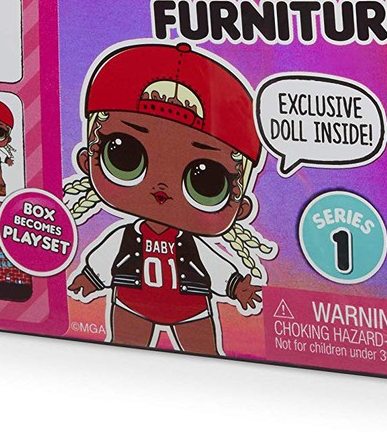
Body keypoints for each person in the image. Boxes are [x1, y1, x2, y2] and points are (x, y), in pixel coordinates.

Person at [65, 42, 273, 356]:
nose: (162, 187)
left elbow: (214, 266)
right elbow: (105, 257)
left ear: (240, 207)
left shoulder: (192, 245)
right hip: (131, 302)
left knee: (205, 355)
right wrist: (90, 278)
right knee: (124, 350)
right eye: (125, 156)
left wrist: (236, 287)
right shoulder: (124, 237)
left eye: (206, 182)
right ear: (87, 160)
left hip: (191, 309)